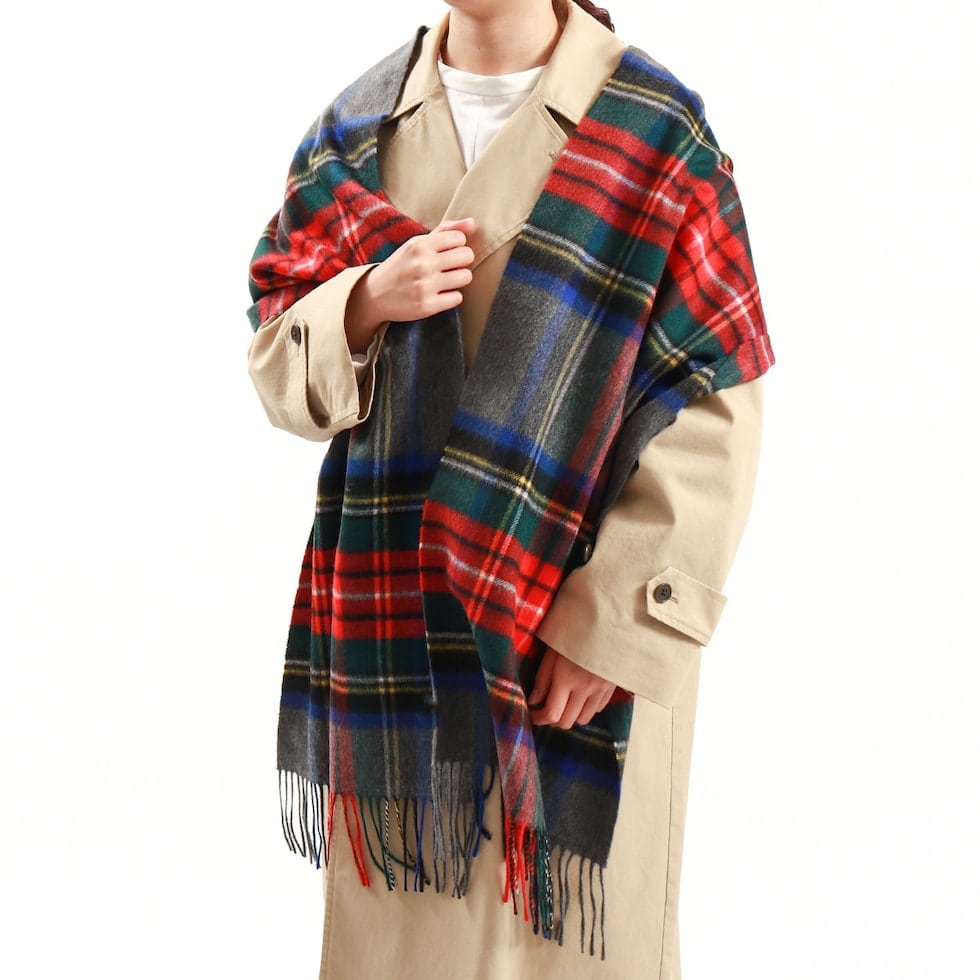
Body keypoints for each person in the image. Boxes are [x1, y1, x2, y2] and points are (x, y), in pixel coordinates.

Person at [246, 1, 774, 976]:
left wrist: (612, 626)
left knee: (564, 942)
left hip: (569, 627)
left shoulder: (655, 131)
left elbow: (712, 406)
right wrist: (364, 300)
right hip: (396, 631)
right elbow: (279, 361)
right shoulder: (352, 132)